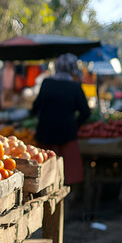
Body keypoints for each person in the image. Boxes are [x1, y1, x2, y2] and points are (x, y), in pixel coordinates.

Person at [32, 53, 90, 185]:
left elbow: (35, 107)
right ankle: (68, 199)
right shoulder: (75, 87)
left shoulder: (47, 83)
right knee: (67, 175)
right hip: (66, 135)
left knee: (44, 175)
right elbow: (85, 112)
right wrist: (75, 125)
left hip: (46, 134)